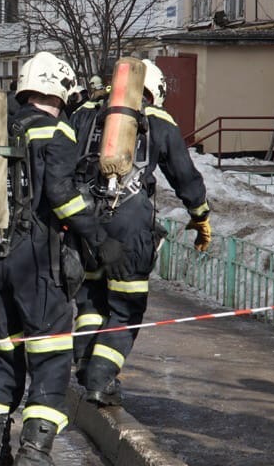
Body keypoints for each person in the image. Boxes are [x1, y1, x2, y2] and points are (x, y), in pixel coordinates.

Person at [0, 51, 121, 466]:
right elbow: (61, 195)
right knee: (52, 356)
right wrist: (98, 238)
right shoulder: (55, 129)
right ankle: (34, 456)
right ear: (60, 88)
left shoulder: (2, 126)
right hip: (34, 261)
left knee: (5, 353)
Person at [69, 59, 212, 406]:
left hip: (84, 221)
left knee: (90, 298)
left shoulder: (86, 113)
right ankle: (100, 380)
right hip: (130, 223)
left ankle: (86, 365)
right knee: (127, 307)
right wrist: (200, 215)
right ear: (155, 90)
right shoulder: (158, 119)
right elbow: (184, 176)